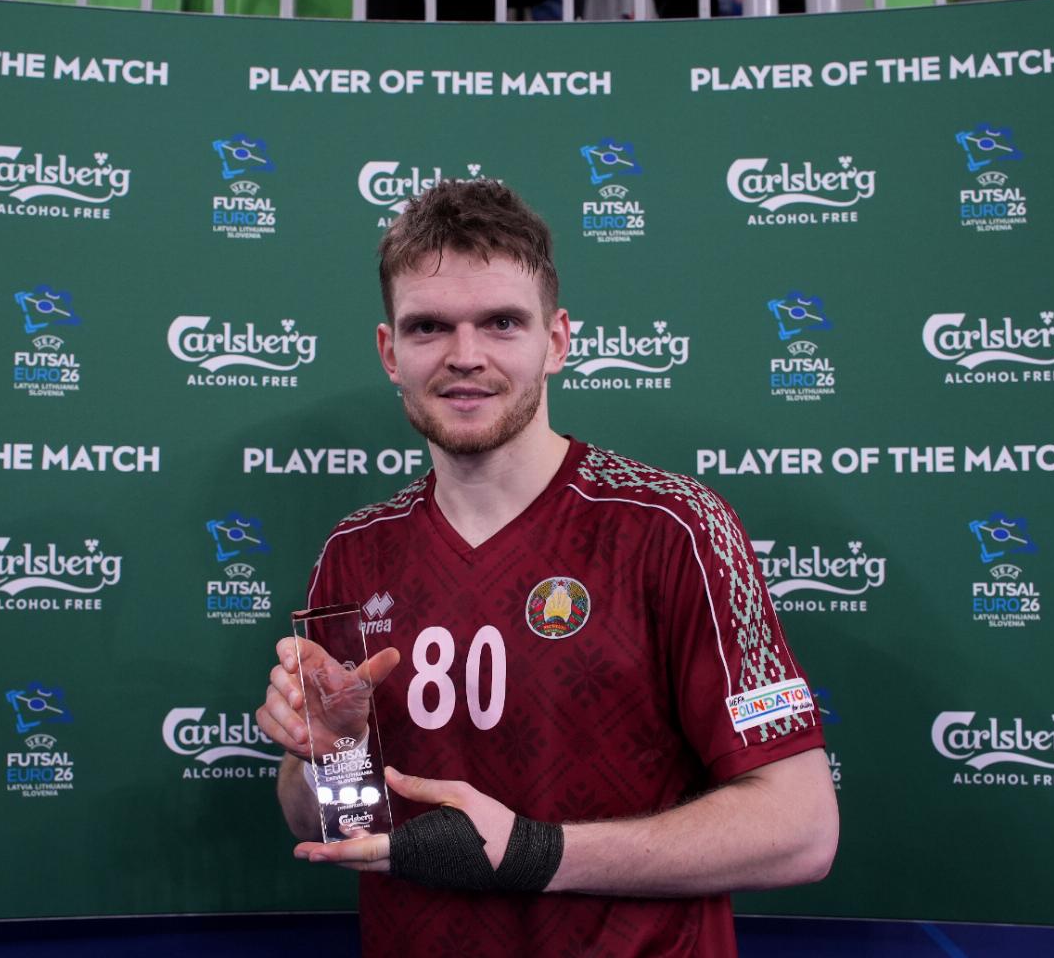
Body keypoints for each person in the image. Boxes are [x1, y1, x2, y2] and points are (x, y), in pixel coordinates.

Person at [256, 180, 837, 957]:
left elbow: (801, 829)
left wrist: (537, 853)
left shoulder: (674, 527)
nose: (466, 356)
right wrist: (331, 758)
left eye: (502, 322)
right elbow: (329, 823)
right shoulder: (356, 549)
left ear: (557, 341)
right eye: (429, 327)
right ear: (391, 352)